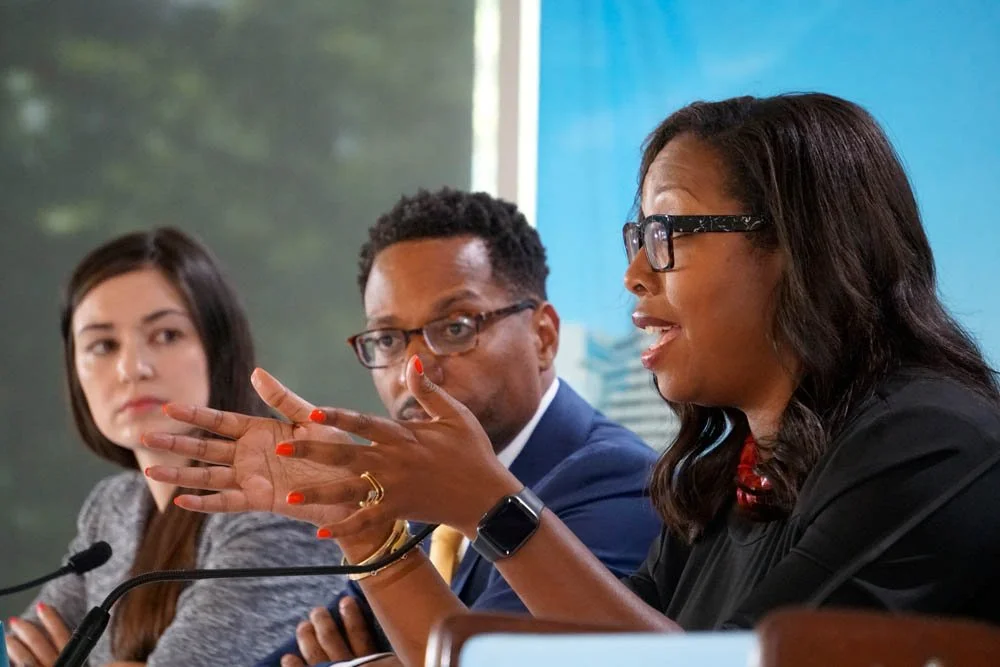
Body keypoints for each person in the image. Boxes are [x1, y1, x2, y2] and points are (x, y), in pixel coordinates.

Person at [148, 92, 1000, 666]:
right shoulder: (722, 469)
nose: (634, 274)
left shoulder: (932, 440)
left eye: (668, 233)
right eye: (635, 235)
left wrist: (493, 507)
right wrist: (370, 534)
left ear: (802, 245)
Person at [143, 189, 661, 667]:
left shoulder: (614, 481)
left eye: (456, 329)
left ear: (544, 336)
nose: (414, 370)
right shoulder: (411, 489)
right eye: (388, 339)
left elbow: (485, 663)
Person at [4, 229, 347, 667]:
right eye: (103, 345)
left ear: (217, 348)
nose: (132, 368)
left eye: (165, 335)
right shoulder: (111, 506)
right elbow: (19, 652)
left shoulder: (278, 500)